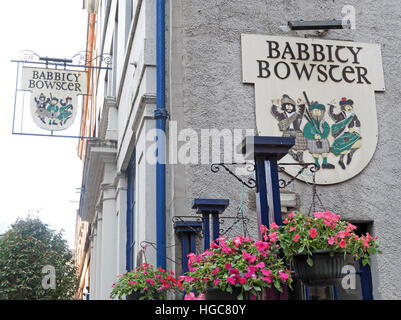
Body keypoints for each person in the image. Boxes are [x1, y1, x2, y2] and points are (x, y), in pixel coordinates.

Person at [271, 94, 307, 163]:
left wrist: (301, 104)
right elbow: (274, 112)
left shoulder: (297, 115)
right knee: (284, 146)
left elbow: (302, 111)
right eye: (287, 106)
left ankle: (300, 159)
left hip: (297, 132)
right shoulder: (282, 115)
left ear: (293, 107)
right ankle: (293, 155)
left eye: (290, 106)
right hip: (287, 132)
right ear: (284, 107)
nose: (289, 107)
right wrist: (275, 104)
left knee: (301, 146)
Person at [328, 97, 362, 169]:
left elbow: (357, 123)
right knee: (344, 148)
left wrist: (355, 129)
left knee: (358, 143)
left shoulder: (353, 115)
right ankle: (341, 160)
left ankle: (350, 154)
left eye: (349, 106)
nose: (349, 107)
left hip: (352, 133)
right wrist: (331, 106)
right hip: (343, 134)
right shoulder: (341, 115)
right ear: (343, 107)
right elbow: (333, 115)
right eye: (347, 106)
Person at [303, 102, 335, 170]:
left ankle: (325, 163)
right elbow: (306, 133)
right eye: (315, 111)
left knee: (325, 151)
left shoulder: (324, 122)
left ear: (322, 112)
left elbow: (327, 130)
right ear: (311, 112)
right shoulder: (309, 123)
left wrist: (322, 135)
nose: (317, 112)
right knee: (315, 152)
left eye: (319, 111)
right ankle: (316, 163)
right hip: (313, 141)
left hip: (323, 139)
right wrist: (313, 136)